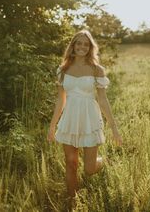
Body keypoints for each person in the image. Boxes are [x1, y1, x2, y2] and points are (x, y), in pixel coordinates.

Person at [47, 29, 123, 201]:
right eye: (78, 43)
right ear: (73, 45)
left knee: (89, 169)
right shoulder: (63, 69)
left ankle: (102, 161)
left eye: (86, 44)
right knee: (71, 162)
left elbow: (103, 100)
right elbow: (61, 100)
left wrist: (114, 128)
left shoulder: (97, 70)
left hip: (89, 118)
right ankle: (73, 200)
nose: (82, 47)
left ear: (90, 48)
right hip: (70, 119)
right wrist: (52, 126)